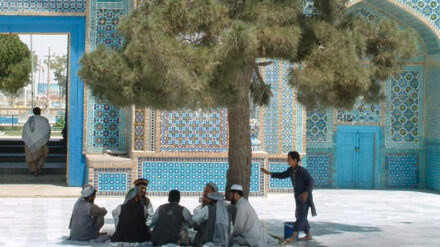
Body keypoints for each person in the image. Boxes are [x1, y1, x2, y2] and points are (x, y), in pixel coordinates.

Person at [260, 151, 317, 243]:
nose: (288, 161)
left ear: (295, 160)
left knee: (300, 216)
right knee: (302, 215)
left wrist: (306, 192)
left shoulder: (302, 171)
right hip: (298, 197)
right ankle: (308, 235)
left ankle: (294, 236)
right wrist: (269, 173)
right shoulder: (291, 170)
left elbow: (311, 181)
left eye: (289, 159)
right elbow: (282, 175)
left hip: (304, 197)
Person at [22, 107, 51, 176]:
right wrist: (45, 139)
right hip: (42, 141)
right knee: (42, 154)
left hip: (30, 141)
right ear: (40, 112)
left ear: (33, 112)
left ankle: (35, 169)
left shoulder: (29, 120)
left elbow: (25, 130)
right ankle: (38, 168)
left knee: (32, 156)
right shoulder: (44, 120)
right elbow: (47, 129)